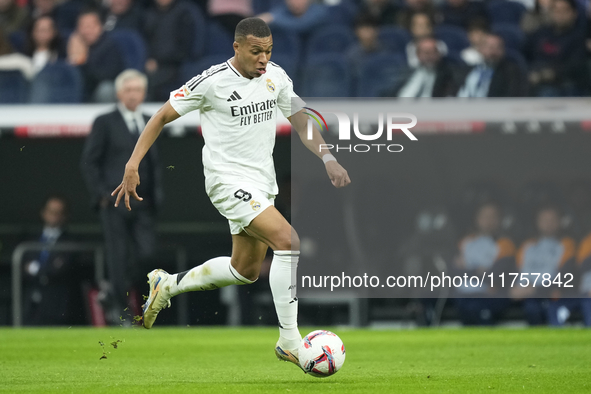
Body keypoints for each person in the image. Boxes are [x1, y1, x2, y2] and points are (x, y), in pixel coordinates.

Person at [111, 17, 350, 369]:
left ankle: (168, 285)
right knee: (287, 240)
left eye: (268, 51)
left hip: (262, 183)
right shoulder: (212, 82)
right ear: (236, 47)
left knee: (245, 270)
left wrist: (327, 157)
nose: (263, 59)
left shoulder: (276, 77)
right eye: (256, 51)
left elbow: (301, 120)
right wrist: (132, 165)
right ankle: (289, 341)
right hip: (227, 182)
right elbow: (161, 115)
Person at [80, 69, 162, 323]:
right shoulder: (104, 121)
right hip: (114, 203)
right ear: (118, 93)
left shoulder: (151, 120)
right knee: (116, 256)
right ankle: (120, 309)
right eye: (128, 90)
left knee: (147, 254)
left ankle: (123, 294)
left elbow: (155, 164)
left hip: (143, 202)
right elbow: (89, 162)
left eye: (137, 89)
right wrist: (102, 195)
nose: (133, 94)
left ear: (144, 92)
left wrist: (157, 195)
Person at [512, 205, 576, 325]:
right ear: (537, 222)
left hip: (554, 295)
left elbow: (566, 275)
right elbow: (516, 272)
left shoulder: (566, 244)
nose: (548, 224)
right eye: (544, 220)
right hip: (529, 296)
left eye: (552, 220)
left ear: (560, 222)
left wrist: (536, 290)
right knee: (531, 308)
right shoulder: (527, 246)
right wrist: (515, 289)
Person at [454, 202, 515, 325]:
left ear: (500, 220)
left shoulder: (505, 244)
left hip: (490, 296)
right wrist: (478, 271)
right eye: (485, 217)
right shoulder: (466, 242)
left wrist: (467, 269)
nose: (489, 221)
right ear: (477, 219)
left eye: (493, 217)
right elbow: (453, 272)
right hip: (464, 294)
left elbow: (496, 276)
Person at [22, 196, 80, 325]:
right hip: (32, 302)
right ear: (43, 213)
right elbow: (22, 266)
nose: (54, 216)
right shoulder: (31, 239)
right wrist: (47, 268)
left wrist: (35, 268)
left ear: (65, 216)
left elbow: (59, 269)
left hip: (57, 305)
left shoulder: (70, 242)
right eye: (51, 211)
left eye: (58, 212)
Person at [525, 0, 586, 96]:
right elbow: (526, 56)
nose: (560, 15)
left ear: (574, 13)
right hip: (535, 80)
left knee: (548, 93)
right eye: (556, 10)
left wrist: (546, 75)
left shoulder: (579, 37)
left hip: (564, 85)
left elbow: (574, 66)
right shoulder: (540, 34)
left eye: (564, 10)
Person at [143, 0, 198, 101]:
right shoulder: (148, 14)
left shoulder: (185, 13)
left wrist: (159, 62)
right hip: (152, 63)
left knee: (149, 82)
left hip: (176, 65)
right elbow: (143, 42)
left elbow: (186, 48)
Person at [67, 10, 125, 102]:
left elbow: (109, 75)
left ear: (99, 27)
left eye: (90, 26)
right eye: (83, 26)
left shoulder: (109, 46)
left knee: (106, 89)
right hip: (81, 91)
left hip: (100, 90)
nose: (86, 31)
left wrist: (83, 61)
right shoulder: (73, 44)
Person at [458, 33, 528, 97]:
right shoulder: (467, 69)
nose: (493, 52)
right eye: (490, 47)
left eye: (498, 48)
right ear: (480, 48)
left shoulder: (511, 72)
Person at [391, 36, 460, 98]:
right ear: (418, 54)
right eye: (426, 52)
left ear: (439, 54)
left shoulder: (448, 75)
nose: (429, 56)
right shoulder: (406, 73)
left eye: (433, 52)